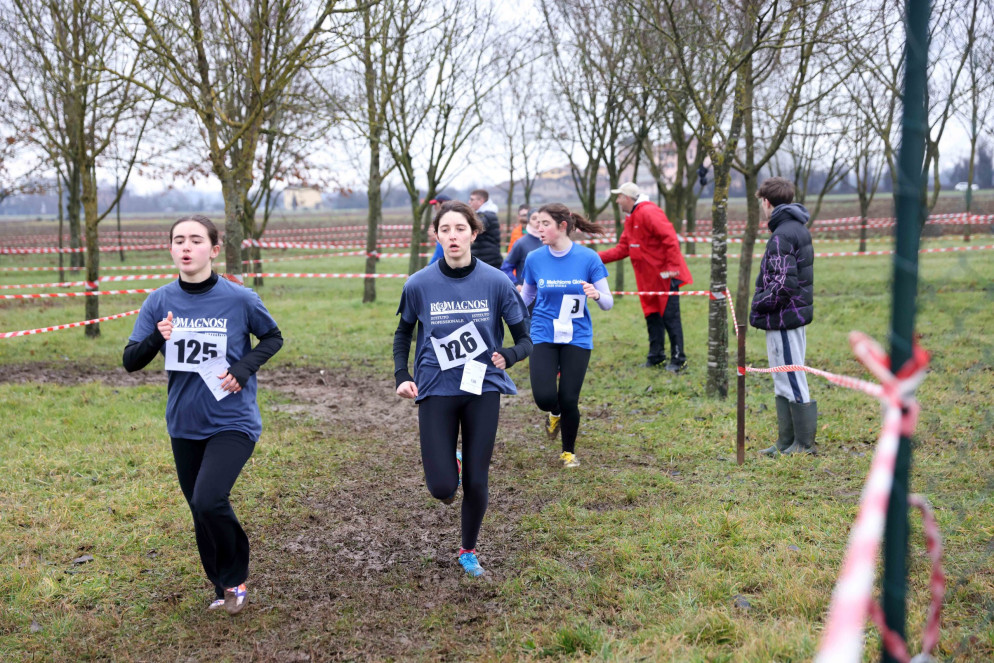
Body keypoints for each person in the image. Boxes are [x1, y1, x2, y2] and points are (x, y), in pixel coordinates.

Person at [123, 215, 283, 614]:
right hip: (184, 421)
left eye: (195, 240)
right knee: (199, 507)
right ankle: (221, 586)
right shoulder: (158, 301)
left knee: (210, 499)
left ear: (213, 249)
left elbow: (273, 337)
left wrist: (242, 370)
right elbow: (130, 361)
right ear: (171, 249)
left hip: (233, 419)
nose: (186, 246)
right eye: (179, 240)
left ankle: (235, 578)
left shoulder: (240, 298)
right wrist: (156, 336)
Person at [393, 200, 532, 577]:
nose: (452, 236)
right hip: (435, 386)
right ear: (436, 236)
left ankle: (468, 550)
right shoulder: (419, 283)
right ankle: (450, 463)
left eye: (460, 229)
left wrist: (509, 355)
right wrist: (401, 374)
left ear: (473, 233)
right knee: (442, 488)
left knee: (476, 478)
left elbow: (525, 339)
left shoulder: (496, 282)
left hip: (481, 387)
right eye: (445, 230)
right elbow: (403, 333)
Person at [521, 203, 614, 468]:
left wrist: (596, 294)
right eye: (537, 223)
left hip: (577, 336)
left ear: (562, 226)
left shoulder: (588, 258)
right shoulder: (534, 258)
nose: (539, 228)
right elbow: (527, 296)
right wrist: (506, 310)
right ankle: (554, 413)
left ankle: (568, 452)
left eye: (545, 224)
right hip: (543, 333)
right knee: (545, 397)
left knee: (570, 398)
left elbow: (608, 302)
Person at [750, 177, 817, 455]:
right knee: (782, 376)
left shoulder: (782, 235)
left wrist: (758, 303)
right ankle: (785, 441)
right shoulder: (795, 228)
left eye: (761, 202)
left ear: (767, 202)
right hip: (789, 316)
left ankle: (803, 444)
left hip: (784, 318)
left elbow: (783, 285)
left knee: (791, 375)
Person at [598, 182, 693, 372]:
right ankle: (656, 356)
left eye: (619, 197)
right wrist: (594, 259)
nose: (617, 201)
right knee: (652, 315)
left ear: (627, 198)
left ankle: (678, 359)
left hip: (664, 277)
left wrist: (672, 269)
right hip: (647, 279)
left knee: (670, 317)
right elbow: (622, 249)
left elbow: (670, 239)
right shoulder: (631, 218)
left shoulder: (649, 212)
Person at [500, 208, 543, 290]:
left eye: (541, 219)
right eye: (534, 218)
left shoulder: (551, 243)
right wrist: (516, 284)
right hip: (527, 293)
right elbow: (506, 268)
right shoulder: (521, 243)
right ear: (528, 221)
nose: (538, 221)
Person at [468, 189, 503, 268]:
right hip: (486, 260)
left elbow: (475, 227)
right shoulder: (484, 214)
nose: (469, 202)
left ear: (481, 201)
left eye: (472, 199)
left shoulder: (486, 216)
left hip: (488, 262)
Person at [427, 194, 452, 265]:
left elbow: (440, 252)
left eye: (435, 204)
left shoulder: (447, 220)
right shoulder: (440, 219)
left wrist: (430, 266)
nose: (434, 207)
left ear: (443, 203)